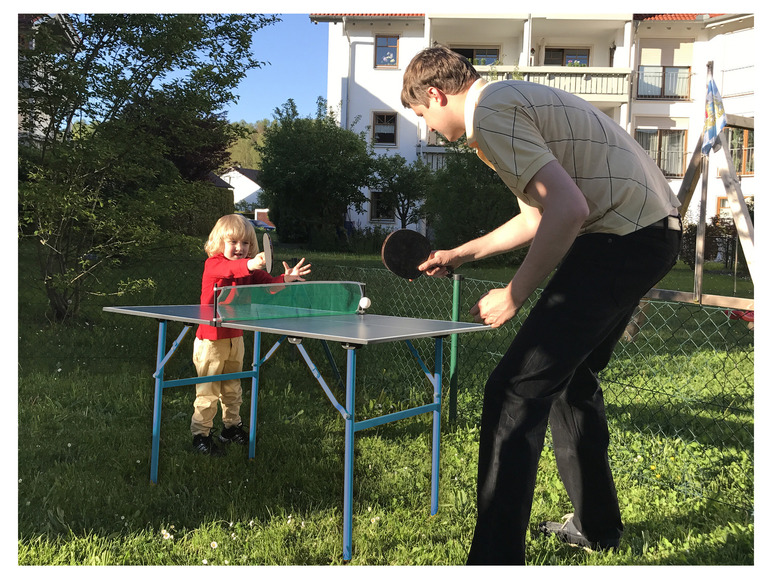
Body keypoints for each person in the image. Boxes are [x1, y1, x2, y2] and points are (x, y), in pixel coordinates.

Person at [401, 46, 682, 564]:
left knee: (515, 389)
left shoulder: (489, 114)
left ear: (436, 94)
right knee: (568, 379)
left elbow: (568, 209)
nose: (428, 127)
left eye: (422, 115)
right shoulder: (510, 101)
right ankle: (597, 526)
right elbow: (538, 215)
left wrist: (514, 293)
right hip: (649, 234)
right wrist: (460, 253)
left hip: (621, 239)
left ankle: (494, 561)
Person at [192, 214, 311, 456]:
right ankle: (201, 435)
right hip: (210, 339)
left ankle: (231, 428)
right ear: (218, 243)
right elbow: (232, 268)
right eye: (233, 242)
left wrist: (285, 279)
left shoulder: (249, 268)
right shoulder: (214, 264)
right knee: (208, 390)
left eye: (245, 243)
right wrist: (249, 264)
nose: (239, 248)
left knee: (233, 387)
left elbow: (268, 285)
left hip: (236, 336)